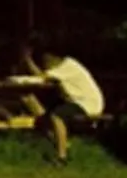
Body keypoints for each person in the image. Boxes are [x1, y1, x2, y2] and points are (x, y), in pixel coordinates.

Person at [20, 36, 105, 164]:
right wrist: (28, 61)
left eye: (45, 61)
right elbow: (43, 77)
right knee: (42, 113)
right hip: (77, 101)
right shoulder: (61, 68)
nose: (45, 65)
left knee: (57, 116)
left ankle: (61, 156)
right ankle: (62, 142)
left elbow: (41, 77)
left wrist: (28, 61)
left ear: (52, 58)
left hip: (87, 103)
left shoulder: (67, 67)